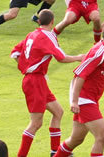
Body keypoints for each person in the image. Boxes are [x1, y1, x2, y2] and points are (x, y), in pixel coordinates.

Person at [10, 9, 85, 157]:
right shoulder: (48, 36)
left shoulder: (31, 34)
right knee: (36, 123)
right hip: (35, 81)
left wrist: (25, 67)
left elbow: (15, 53)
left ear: (39, 21)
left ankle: (54, 151)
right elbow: (61, 57)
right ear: (52, 22)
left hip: (34, 80)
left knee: (58, 112)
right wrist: (78, 57)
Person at [53, 21, 104, 157]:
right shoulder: (98, 52)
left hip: (89, 99)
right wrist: (74, 101)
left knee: (76, 139)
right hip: (84, 100)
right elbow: (80, 74)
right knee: (102, 135)